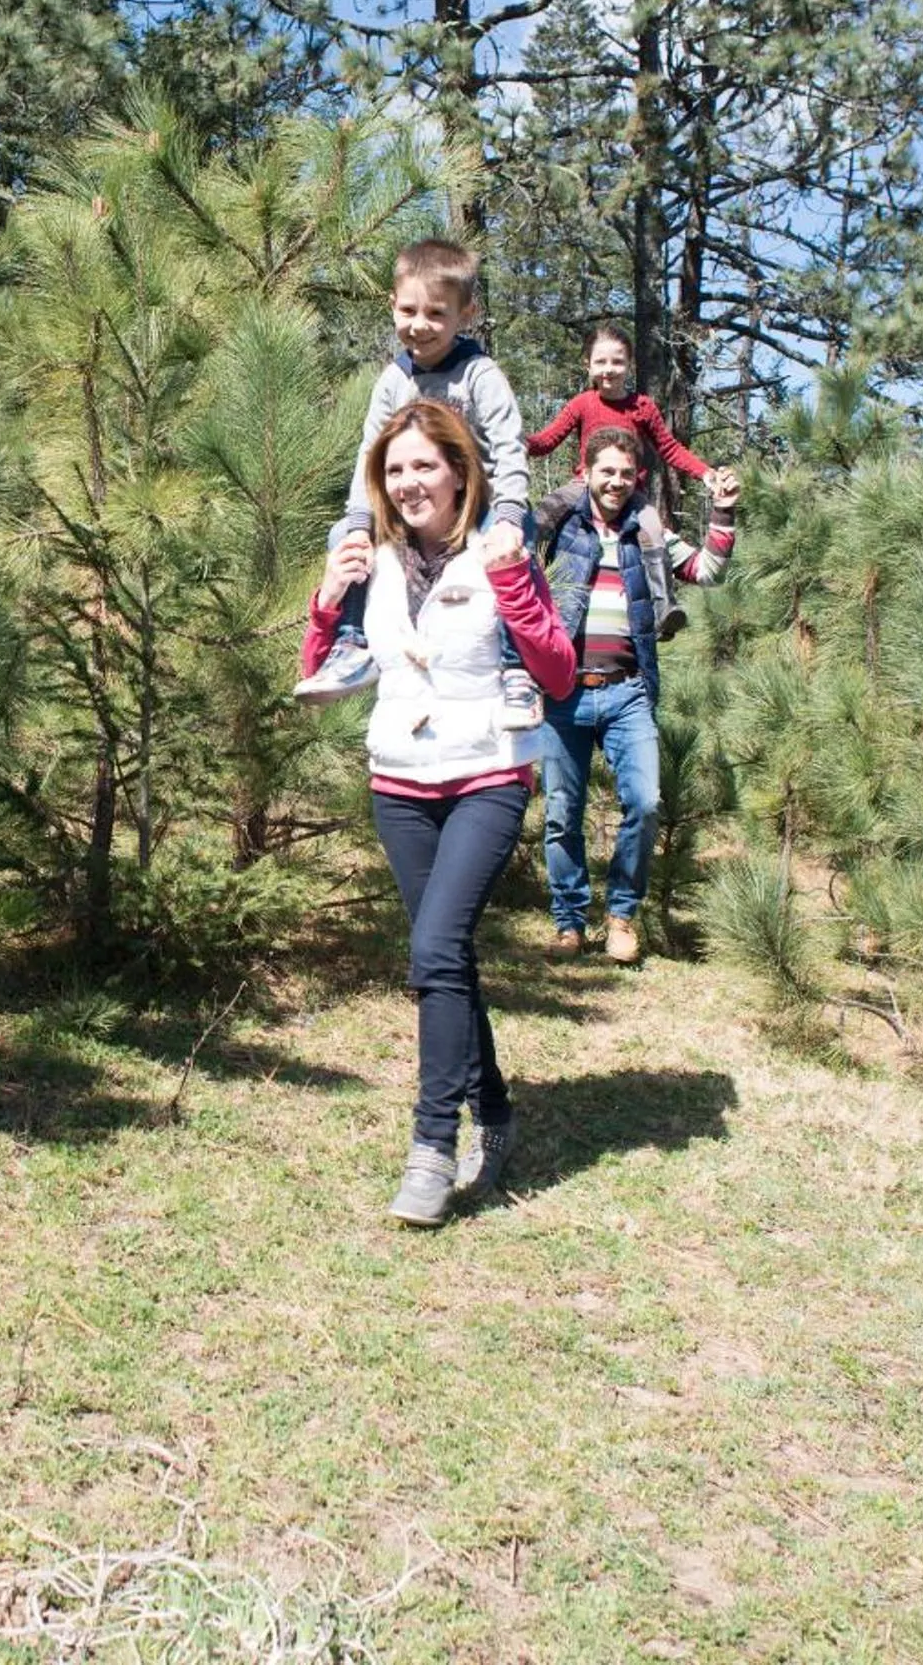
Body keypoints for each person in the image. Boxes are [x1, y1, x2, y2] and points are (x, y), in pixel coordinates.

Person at [302, 399, 577, 1226]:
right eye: (393, 469)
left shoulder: (500, 550)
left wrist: (513, 586)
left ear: (459, 471)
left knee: (433, 951)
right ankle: (494, 1114)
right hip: (398, 781)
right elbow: (321, 676)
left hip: (487, 772)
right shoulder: (373, 560)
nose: (407, 482)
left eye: (423, 465)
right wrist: (328, 599)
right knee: (444, 958)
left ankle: (431, 1146)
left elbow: (557, 674)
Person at [294, 238, 538, 727]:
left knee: (516, 540)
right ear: (392, 305)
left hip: (478, 501)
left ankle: (516, 670)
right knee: (343, 537)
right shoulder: (393, 380)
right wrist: (360, 522)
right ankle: (353, 644)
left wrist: (509, 516)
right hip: (410, 504)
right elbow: (370, 453)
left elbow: (510, 447)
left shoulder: (479, 375)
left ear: (465, 314)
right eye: (408, 310)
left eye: (436, 313)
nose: (419, 325)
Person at [538, 427, 740, 965]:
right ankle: (569, 922)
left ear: (638, 478)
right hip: (563, 692)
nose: (616, 481)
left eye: (626, 473)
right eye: (606, 471)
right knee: (562, 813)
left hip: (628, 691)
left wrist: (723, 511)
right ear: (585, 472)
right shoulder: (558, 526)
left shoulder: (649, 531)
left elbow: (708, 571)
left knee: (645, 803)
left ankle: (621, 916)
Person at [526, 326, 720, 643]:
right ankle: (525, 583)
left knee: (653, 528)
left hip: (630, 492)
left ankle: (664, 607)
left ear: (629, 365)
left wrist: (705, 473)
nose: (609, 370)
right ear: (587, 365)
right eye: (600, 362)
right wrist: (519, 442)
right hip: (584, 484)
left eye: (617, 362)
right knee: (544, 514)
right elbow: (547, 440)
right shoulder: (582, 404)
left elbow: (670, 448)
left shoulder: (642, 407)